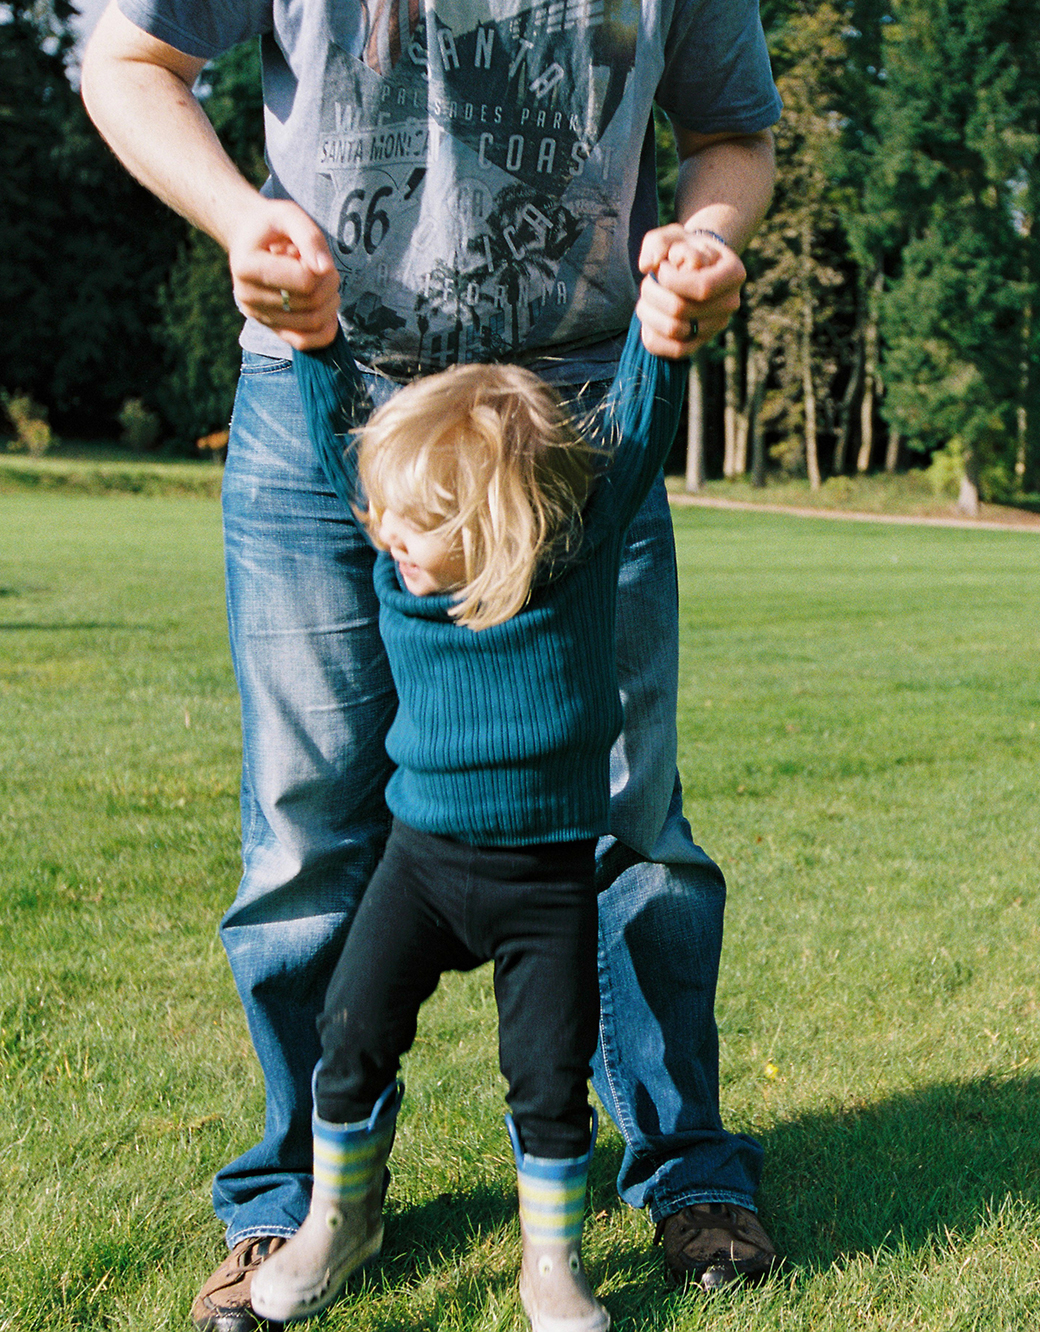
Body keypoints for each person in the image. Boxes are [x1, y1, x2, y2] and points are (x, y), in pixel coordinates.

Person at [78, 0, 781, 1326]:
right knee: (301, 832)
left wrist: (696, 245)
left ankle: (687, 1171)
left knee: (635, 828)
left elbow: (733, 135)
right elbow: (127, 59)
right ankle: (298, 1202)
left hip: (574, 416)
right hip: (323, 392)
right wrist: (244, 222)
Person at [249, 287, 693, 1329]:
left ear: (498, 520)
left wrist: (659, 337)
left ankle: (552, 1264)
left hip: (543, 886)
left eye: (416, 521)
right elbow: (330, 444)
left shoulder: (568, 565)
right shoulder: (406, 578)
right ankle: (339, 1217)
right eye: (385, 515)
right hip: (420, 869)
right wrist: (316, 341)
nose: (385, 534)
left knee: (547, 1081)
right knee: (349, 1037)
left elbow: (632, 439)